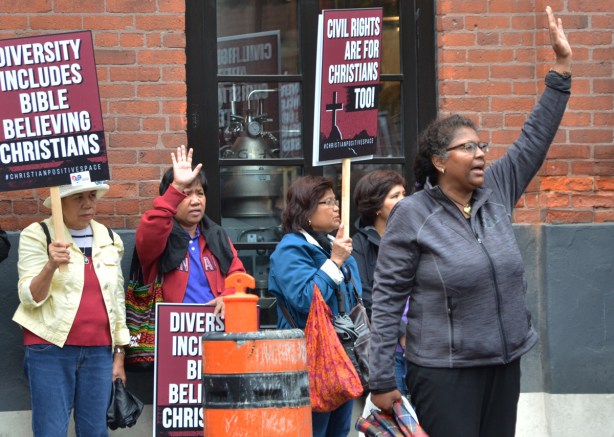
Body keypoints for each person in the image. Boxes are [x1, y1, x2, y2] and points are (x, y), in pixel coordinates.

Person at [368, 6, 572, 437]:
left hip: (503, 364)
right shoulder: (413, 214)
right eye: (467, 148)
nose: (480, 153)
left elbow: (534, 138)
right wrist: (382, 378)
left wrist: (561, 70)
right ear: (440, 162)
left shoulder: (496, 189)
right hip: (444, 372)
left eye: (481, 145)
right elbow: (386, 299)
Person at [13, 180, 129, 436]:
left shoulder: (110, 239)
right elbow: (29, 297)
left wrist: (119, 354)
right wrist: (50, 265)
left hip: (99, 352)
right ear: (59, 201)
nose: (88, 203)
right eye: (78, 197)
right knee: (51, 430)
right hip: (49, 348)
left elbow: (117, 299)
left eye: (92, 196)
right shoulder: (39, 234)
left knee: (95, 431)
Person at [268, 175, 362, 437]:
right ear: (306, 211)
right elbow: (305, 299)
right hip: (308, 359)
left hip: (340, 356)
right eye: (327, 202)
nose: (336, 207)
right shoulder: (290, 250)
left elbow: (354, 298)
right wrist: (334, 263)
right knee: (312, 431)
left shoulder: (331, 245)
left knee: (339, 431)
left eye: (336, 200)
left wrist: (342, 258)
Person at [136, 145, 245, 315]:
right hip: (171, 334)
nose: (195, 201)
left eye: (200, 193)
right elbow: (149, 232)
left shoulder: (216, 235)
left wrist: (227, 297)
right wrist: (177, 186)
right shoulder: (160, 236)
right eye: (186, 194)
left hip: (215, 331)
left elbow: (238, 275)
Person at [352, 170, 409, 396]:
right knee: (397, 424)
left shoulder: (415, 237)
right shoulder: (360, 245)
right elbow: (366, 296)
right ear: (377, 206)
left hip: (425, 345)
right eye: (394, 196)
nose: (403, 201)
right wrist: (401, 332)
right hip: (388, 349)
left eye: (404, 194)